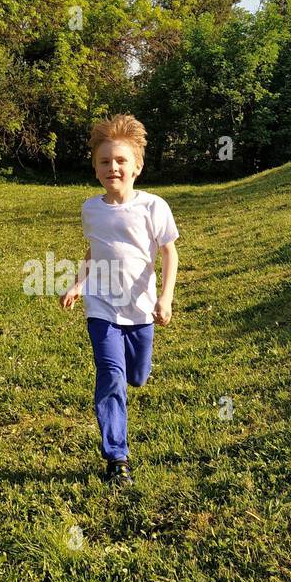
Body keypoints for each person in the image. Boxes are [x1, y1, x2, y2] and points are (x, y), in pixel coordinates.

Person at [60, 115, 179, 487]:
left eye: (121, 160)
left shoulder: (153, 207)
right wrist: (79, 284)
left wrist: (165, 297)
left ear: (137, 167)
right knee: (111, 376)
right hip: (102, 309)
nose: (113, 167)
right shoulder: (90, 209)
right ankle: (117, 458)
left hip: (141, 309)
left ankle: (130, 376)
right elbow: (94, 252)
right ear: (95, 169)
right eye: (105, 161)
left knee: (137, 377)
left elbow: (169, 254)